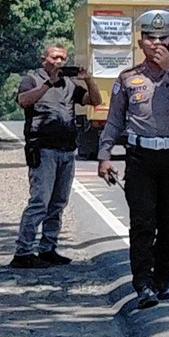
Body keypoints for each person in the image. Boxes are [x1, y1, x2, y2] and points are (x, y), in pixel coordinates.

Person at [97, 10, 169, 310]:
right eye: (149, 38)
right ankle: (142, 283)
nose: (156, 43)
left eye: (163, 38)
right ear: (140, 41)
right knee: (142, 221)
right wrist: (104, 155)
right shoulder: (129, 78)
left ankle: (162, 278)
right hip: (141, 156)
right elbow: (115, 120)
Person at [11, 44, 102, 269]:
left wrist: (88, 79)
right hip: (42, 149)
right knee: (40, 201)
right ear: (44, 59)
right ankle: (23, 251)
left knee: (58, 203)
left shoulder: (69, 84)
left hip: (66, 150)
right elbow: (23, 101)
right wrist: (48, 83)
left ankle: (48, 248)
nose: (59, 62)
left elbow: (95, 101)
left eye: (63, 58)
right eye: (55, 58)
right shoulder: (32, 80)